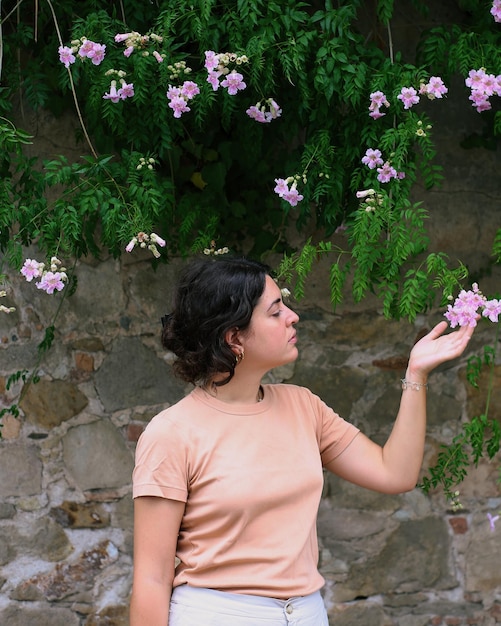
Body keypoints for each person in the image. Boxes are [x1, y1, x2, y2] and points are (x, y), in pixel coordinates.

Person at [130, 256, 475, 626]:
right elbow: (151, 579)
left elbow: (395, 473)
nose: (293, 316)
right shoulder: (171, 434)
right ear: (234, 338)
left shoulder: (304, 406)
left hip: (307, 614)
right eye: (276, 312)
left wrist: (416, 373)